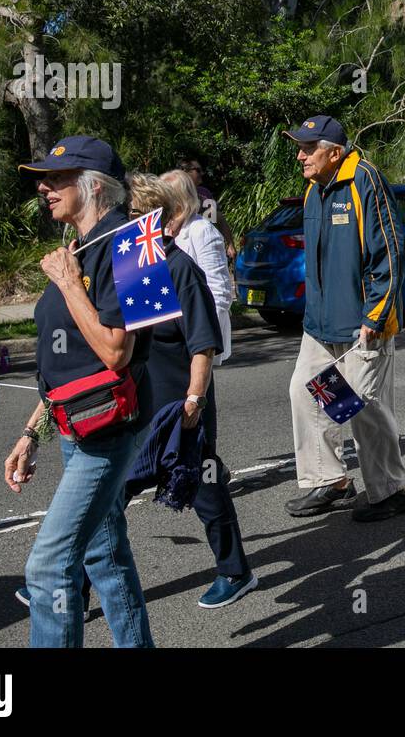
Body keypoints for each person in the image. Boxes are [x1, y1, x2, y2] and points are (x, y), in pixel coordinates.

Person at [3, 137, 154, 647]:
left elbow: (115, 353)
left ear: (93, 186)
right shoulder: (76, 248)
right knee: (103, 555)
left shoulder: (132, 244)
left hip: (109, 429)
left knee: (47, 569)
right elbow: (66, 365)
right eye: (43, 178)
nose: (43, 187)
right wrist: (31, 433)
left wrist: (70, 285)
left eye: (56, 178)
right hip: (73, 422)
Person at [126, 173, 255, 606]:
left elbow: (202, 343)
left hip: (182, 402)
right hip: (139, 404)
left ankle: (235, 571)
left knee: (203, 482)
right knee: (112, 494)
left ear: (149, 219)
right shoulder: (133, 266)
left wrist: (194, 400)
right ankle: (73, 583)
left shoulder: (180, 267)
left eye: (128, 217)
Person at [282, 115, 405, 522]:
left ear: (334, 152)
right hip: (320, 325)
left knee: (362, 408)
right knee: (305, 393)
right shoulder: (313, 190)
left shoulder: (364, 180)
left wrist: (374, 316)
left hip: (364, 323)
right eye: (300, 148)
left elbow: (391, 252)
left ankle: (393, 490)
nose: (302, 156)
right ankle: (332, 482)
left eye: (309, 148)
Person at [161, 169, 233, 365]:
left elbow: (219, 293)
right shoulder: (163, 230)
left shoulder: (202, 231)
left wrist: (203, 347)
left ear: (177, 200)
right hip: (170, 341)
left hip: (196, 339)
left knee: (198, 394)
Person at [177, 157, 236, 260]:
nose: (202, 173)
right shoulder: (174, 194)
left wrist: (230, 244)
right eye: (198, 170)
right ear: (185, 172)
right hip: (183, 249)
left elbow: (216, 219)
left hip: (206, 248)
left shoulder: (205, 193)